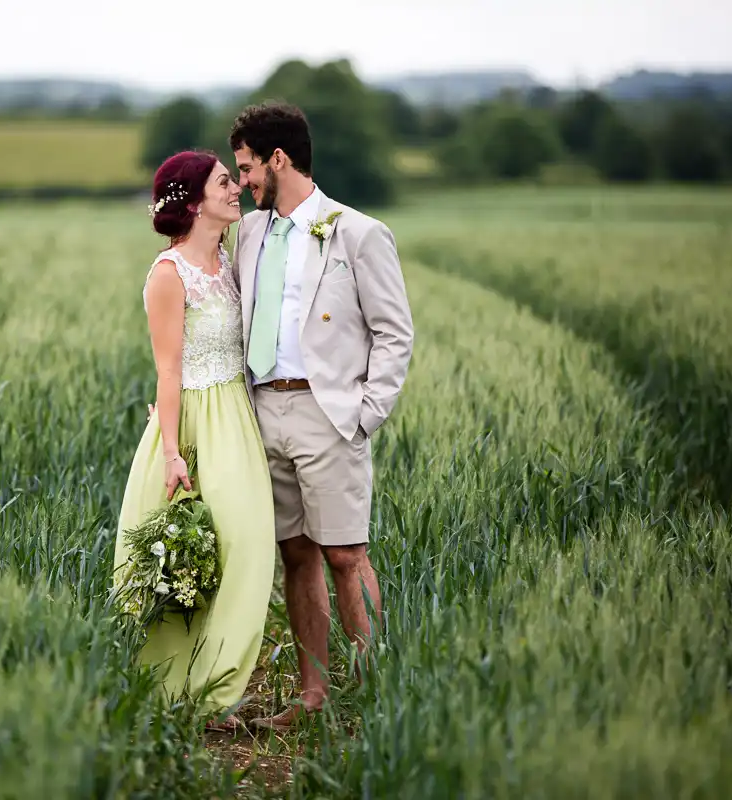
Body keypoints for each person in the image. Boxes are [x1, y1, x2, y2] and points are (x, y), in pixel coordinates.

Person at [229, 102, 414, 730]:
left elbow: (395, 332)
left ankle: (370, 694)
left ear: (279, 159)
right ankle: (313, 695)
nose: (244, 181)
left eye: (248, 167)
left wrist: (366, 414)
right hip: (262, 409)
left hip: (328, 412)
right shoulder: (249, 233)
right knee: (296, 554)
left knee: (345, 554)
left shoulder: (357, 232)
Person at [112, 150, 276, 732]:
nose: (236, 189)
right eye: (224, 182)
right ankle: (170, 695)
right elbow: (168, 370)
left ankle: (213, 694)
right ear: (192, 199)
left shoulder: (230, 259)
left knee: (249, 547)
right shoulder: (168, 273)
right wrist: (174, 452)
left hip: (237, 417)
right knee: (189, 561)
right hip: (193, 425)